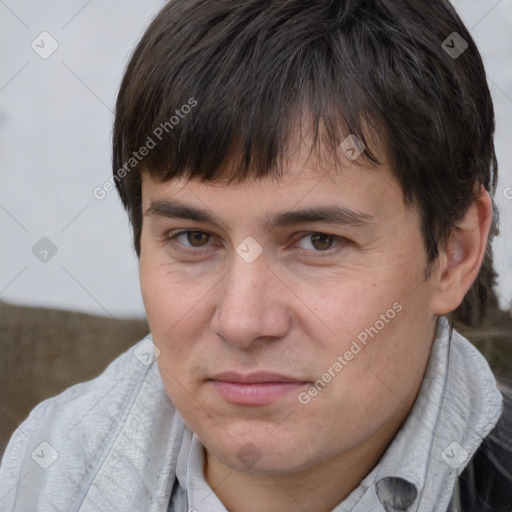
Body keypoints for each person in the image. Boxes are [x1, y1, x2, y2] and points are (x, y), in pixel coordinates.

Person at [1, 0, 511, 510]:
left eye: (318, 241)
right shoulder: (43, 472)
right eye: (194, 238)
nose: (241, 322)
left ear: (454, 252)